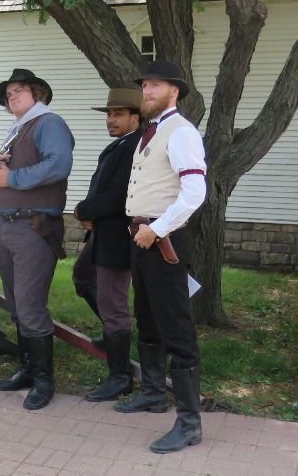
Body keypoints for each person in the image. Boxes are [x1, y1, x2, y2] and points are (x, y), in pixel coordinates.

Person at [114, 60, 207, 454]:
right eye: (145, 86)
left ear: (175, 92)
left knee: (177, 330)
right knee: (147, 318)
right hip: (142, 238)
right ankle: (153, 394)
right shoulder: (149, 132)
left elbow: (195, 192)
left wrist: (159, 228)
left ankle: (189, 423)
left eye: (155, 86)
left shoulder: (181, 132)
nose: (147, 91)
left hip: (163, 242)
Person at [0, 68, 74, 410]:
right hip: (9, 226)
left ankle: (43, 380)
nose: (12, 97)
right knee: (15, 304)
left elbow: (59, 165)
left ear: (37, 92)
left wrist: (13, 177)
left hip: (34, 227)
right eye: (9, 94)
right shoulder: (17, 129)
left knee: (30, 305)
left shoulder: (49, 123)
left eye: (19, 90)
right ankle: (27, 368)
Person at [72, 89, 143, 402]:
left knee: (115, 306)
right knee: (82, 277)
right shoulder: (121, 145)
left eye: (118, 114)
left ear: (135, 117)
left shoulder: (134, 148)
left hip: (118, 238)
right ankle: (112, 336)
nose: (111, 120)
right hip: (102, 231)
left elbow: (120, 197)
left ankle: (120, 376)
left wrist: (84, 210)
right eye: (109, 114)